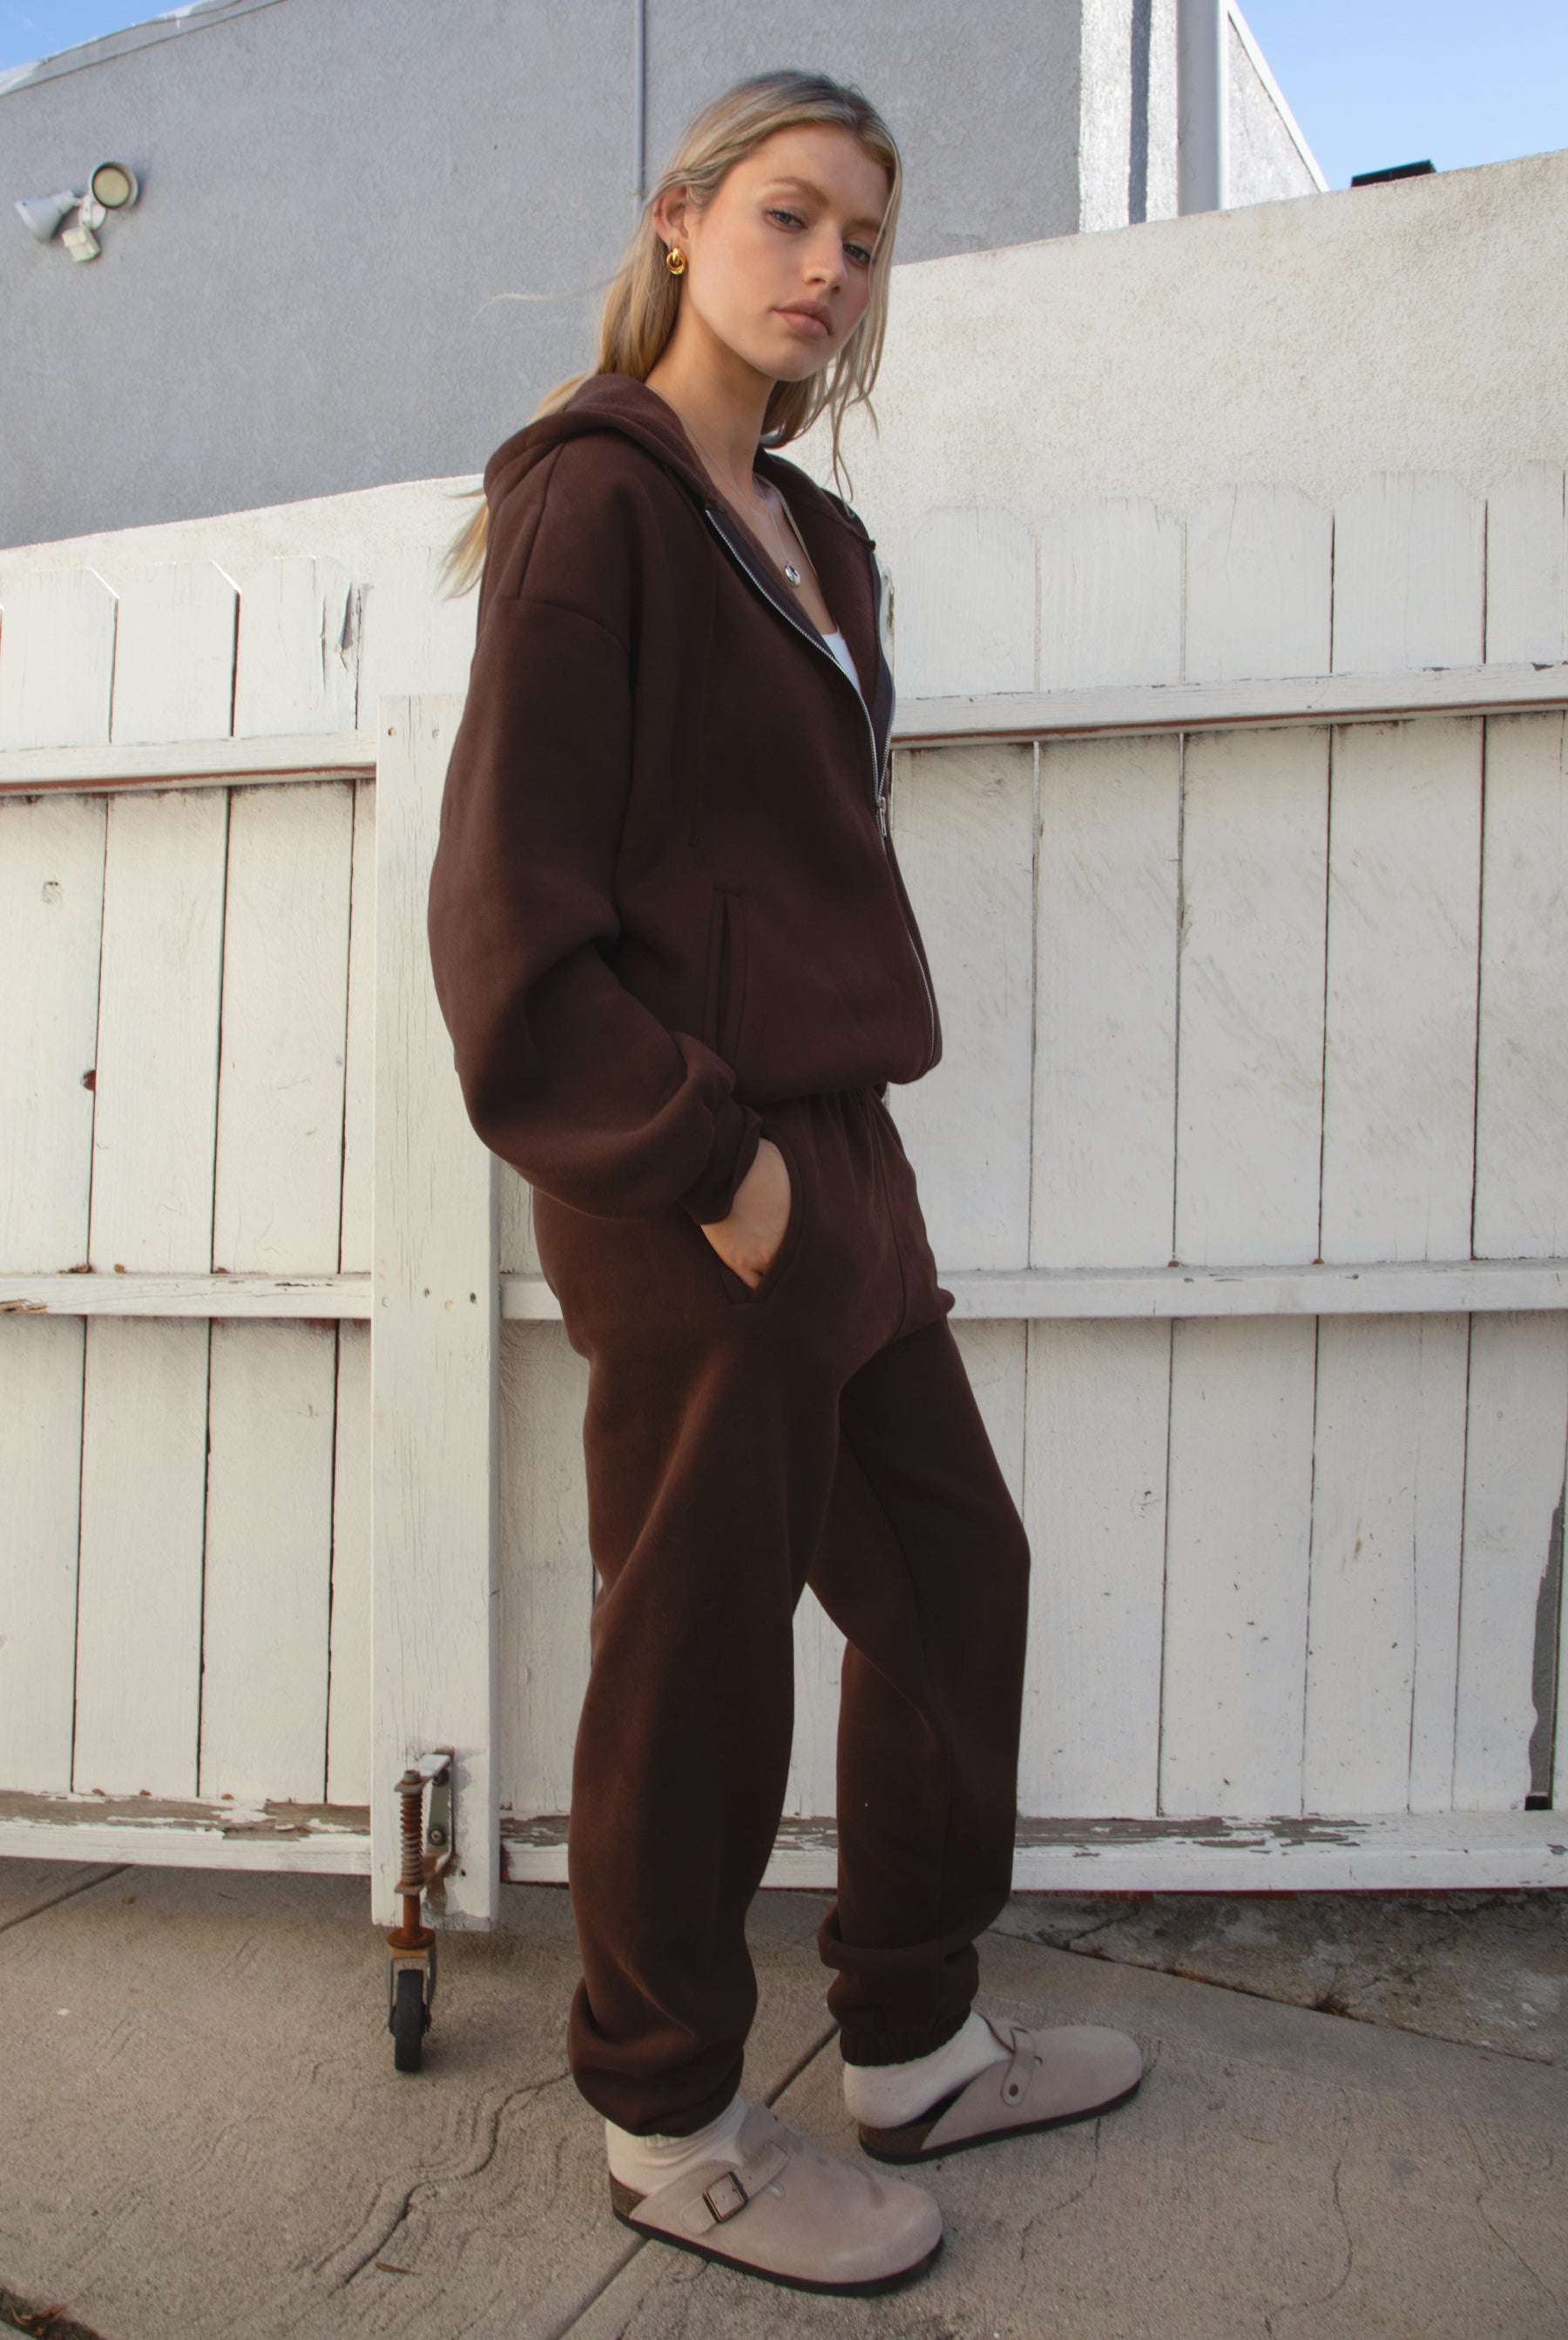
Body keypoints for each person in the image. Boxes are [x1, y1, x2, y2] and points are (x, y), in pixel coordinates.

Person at [428, 68, 1143, 2298]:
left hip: (844, 1146)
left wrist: (825, 1166)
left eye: (866, 240)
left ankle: (911, 2037)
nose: (831, 270)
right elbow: (506, 917)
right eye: (791, 217)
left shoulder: (814, 536)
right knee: (702, 1644)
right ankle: (664, 2110)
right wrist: (710, 1164)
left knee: (955, 1573)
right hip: (694, 1163)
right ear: (684, 216)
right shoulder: (599, 502)